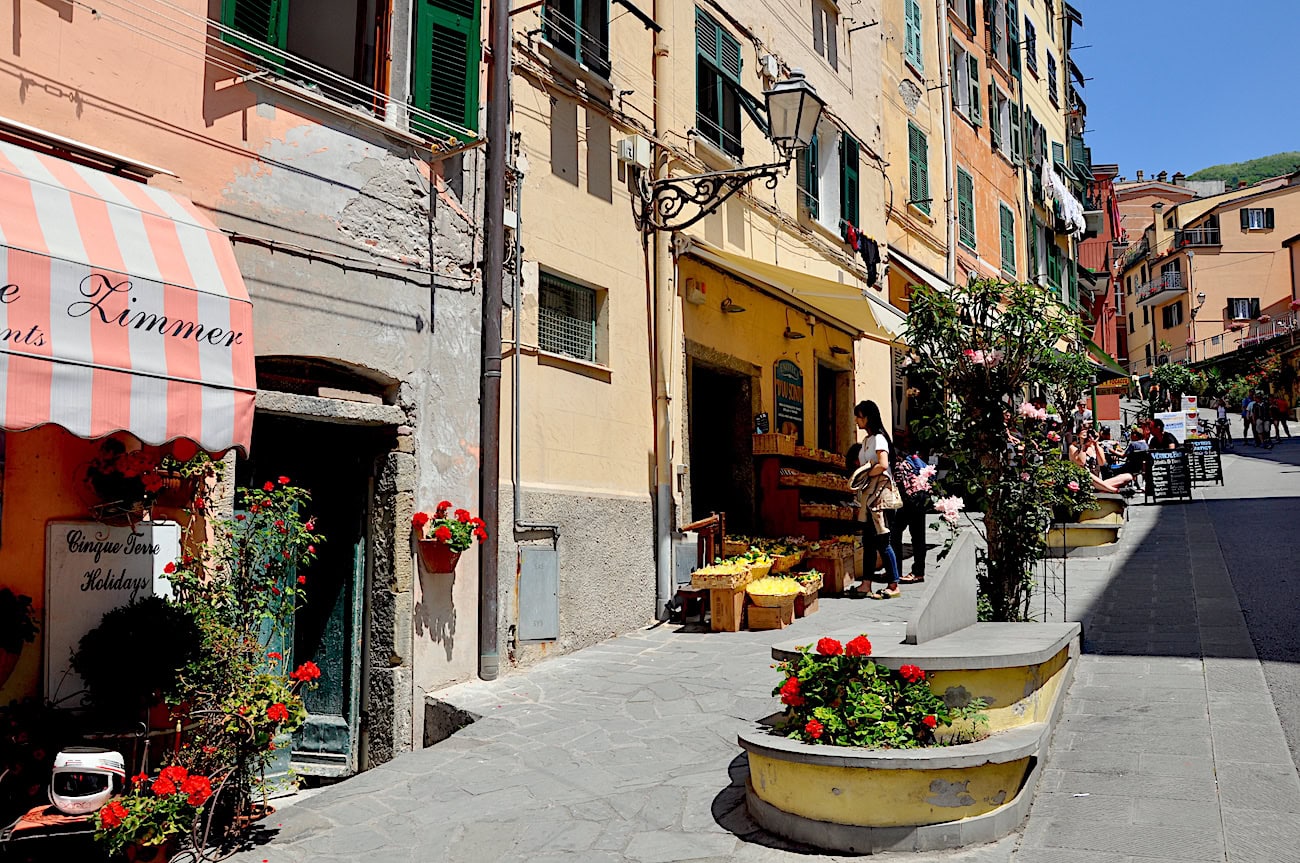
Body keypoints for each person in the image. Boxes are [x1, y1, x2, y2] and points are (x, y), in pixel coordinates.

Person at [852, 400, 901, 600]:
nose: (856, 420)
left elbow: (882, 464)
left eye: (859, 416)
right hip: (869, 495)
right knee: (869, 541)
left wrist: (865, 475)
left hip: (879, 496)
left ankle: (893, 584)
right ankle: (866, 584)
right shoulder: (867, 441)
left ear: (868, 417)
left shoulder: (879, 439)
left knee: (882, 539)